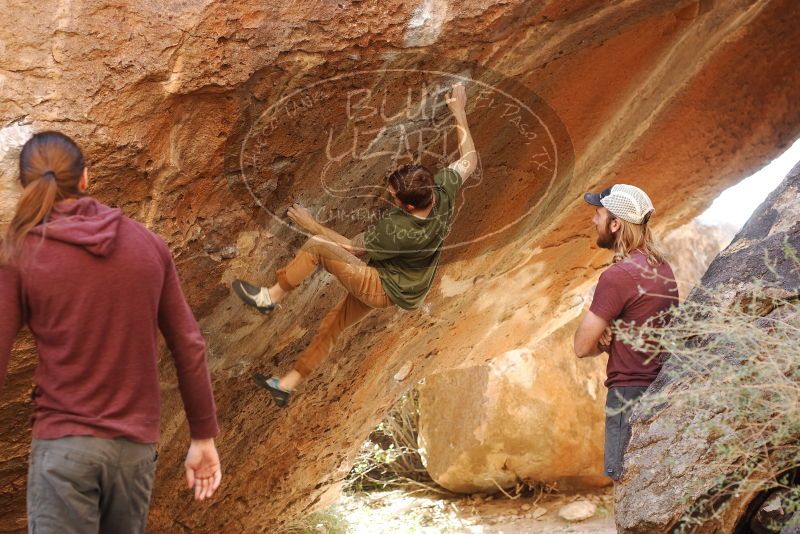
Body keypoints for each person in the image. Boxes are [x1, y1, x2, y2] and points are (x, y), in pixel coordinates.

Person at [0, 131, 222, 534]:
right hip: (133, 455)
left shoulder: (22, 252)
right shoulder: (148, 245)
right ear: (86, 178)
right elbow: (189, 345)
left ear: (24, 186)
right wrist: (202, 436)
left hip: (64, 447)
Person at [233, 82, 477, 407]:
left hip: (381, 285)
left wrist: (312, 224)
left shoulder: (399, 228)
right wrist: (459, 111)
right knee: (332, 326)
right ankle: (286, 385)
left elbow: (351, 250)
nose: (388, 193)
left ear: (406, 206)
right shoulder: (442, 192)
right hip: (401, 285)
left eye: (392, 194)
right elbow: (469, 160)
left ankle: (269, 297)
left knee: (319, 245)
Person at [573, 184, 678, 482]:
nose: (594, 221)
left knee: (627, 485)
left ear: (616, 223)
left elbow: (581, 347)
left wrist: (602, 329)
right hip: (659, 390)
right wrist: (609, 336)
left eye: (598, 215)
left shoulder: (617, 277)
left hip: (627, 396)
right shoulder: (663, 269)